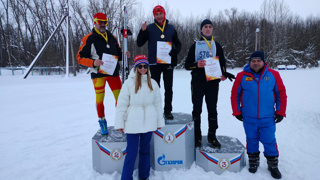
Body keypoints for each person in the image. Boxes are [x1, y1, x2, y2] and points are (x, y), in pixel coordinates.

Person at [231, 51, 287, 179]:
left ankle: (273, 165)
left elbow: (281, 94)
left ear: (263, 62)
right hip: (248, 116)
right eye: (253, 61)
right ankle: (253, 161)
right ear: (250, 62)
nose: (256, 63)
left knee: (269, 140)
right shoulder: (242, 76)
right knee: (251, 139)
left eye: (258, 61)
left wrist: (280, 111)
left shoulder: (273, 75)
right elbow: (235, 95)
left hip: (268, 117)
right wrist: (237, 111)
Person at [185, 19, 235, 149]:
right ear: (201, 30)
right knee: (197, 110)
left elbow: (222, 63)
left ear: (212, 29)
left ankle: (212, 135)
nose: (208, 29)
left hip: (212, 83)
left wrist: (224, 74)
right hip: (197, 83)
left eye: (210, 27)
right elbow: (186, 65)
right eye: (205, 27)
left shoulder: (217, 46)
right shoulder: (195, 46)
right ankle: (197, 137)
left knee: (212, 110)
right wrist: (196, 65)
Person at [77, 12, 129, 135]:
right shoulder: (88, 38)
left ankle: (121, 121)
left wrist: (125, 55)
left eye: (105, 22)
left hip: (113, 73)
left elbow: (119, 53)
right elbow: (79, 58)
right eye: (100, 22)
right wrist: (93, 62)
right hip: (98, 74)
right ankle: (102, 121)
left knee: (120, 98)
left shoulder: (112, 37)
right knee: (100, 99)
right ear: (94, 22)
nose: (102, 24)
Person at [114, 55, 165, 180]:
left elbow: (158, 104)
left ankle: (144, 176)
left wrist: (159, 121)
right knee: (131, 152)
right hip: (132, 122)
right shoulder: (128, 83)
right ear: (135, 67)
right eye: (140, 66)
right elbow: (122, 104)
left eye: (145, 66)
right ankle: (126, 178)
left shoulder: (153, 83)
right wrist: (120, 123)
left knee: (145, 150)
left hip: (149, 121)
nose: (143, 69)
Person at [137, 5, 181, 120]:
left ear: (164, 14)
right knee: (154, 89)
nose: (159, 16)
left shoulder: (171, 28)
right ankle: (155, 110)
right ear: (154, 16)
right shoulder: (150, 28)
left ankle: (167, 111)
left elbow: (178, 43)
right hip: (154, 63)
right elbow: (139, 43)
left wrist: (175, 51)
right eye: (156, 14)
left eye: (160, 13)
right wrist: (142, 31)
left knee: (168, 88)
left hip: (167, 64)